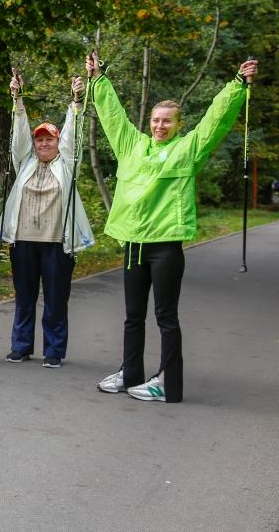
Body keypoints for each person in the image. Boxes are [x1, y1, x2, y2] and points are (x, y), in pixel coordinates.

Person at [92, 55, 257, 403]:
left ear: (179, 125)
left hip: (165, 247)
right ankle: (130, 372)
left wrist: (237, 86)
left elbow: (216, 121)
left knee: (165, 316)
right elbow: (112, 116)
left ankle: (168, 383)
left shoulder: (187, 150)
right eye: (155, 120)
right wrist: (99, 79)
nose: (159, 126)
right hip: (134, 244)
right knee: (132, 316)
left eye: (167, 121)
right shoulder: (132, 146)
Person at [0, 73, 94, 368]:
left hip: (56, 244)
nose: (43, 143)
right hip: (23, 241)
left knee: (55, 300)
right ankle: (21, 346)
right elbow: (19, 137)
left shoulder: (67, 165)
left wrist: (76, 103)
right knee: (24, 298)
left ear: (57, 142)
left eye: (48, 139)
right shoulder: (24, 162)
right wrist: (18, 99)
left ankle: (53, 351)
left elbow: (73, 138)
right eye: (39, 140)